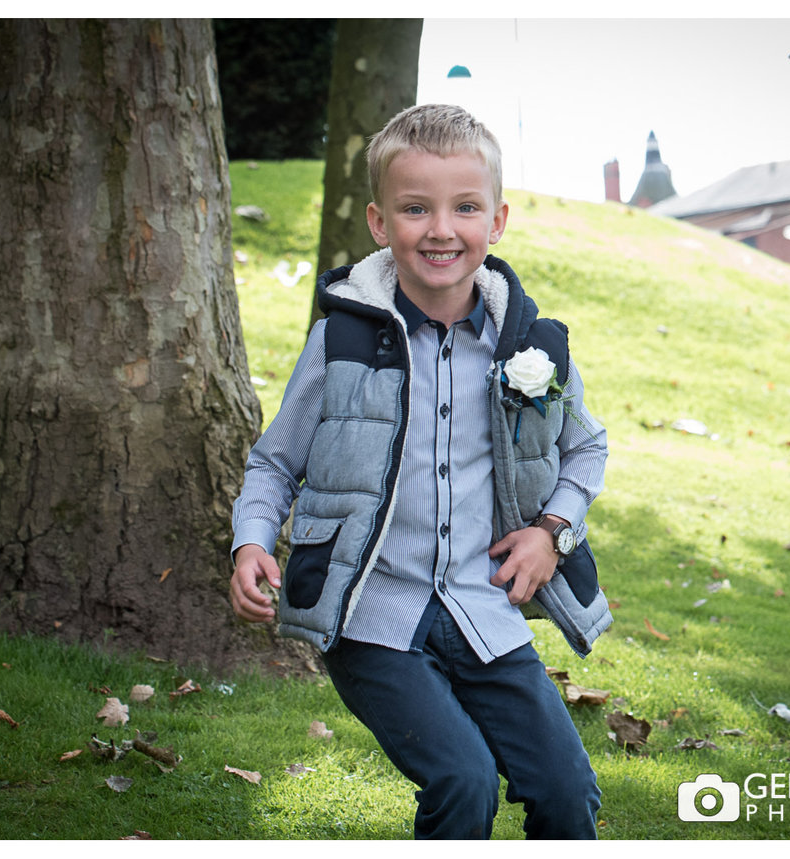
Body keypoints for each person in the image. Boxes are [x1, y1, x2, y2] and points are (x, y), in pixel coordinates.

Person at [226, 103, 612, 839]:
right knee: (463, 782)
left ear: (497, 221)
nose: (441, 229)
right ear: (379, 222)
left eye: (465, 207)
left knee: (566, 789)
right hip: (373, 617)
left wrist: (549, 532)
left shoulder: (533, 347)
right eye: (415, 208)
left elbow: (585, 449)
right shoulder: (340, 339)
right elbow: (276, 460)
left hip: (483, 610)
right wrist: (251, 541)